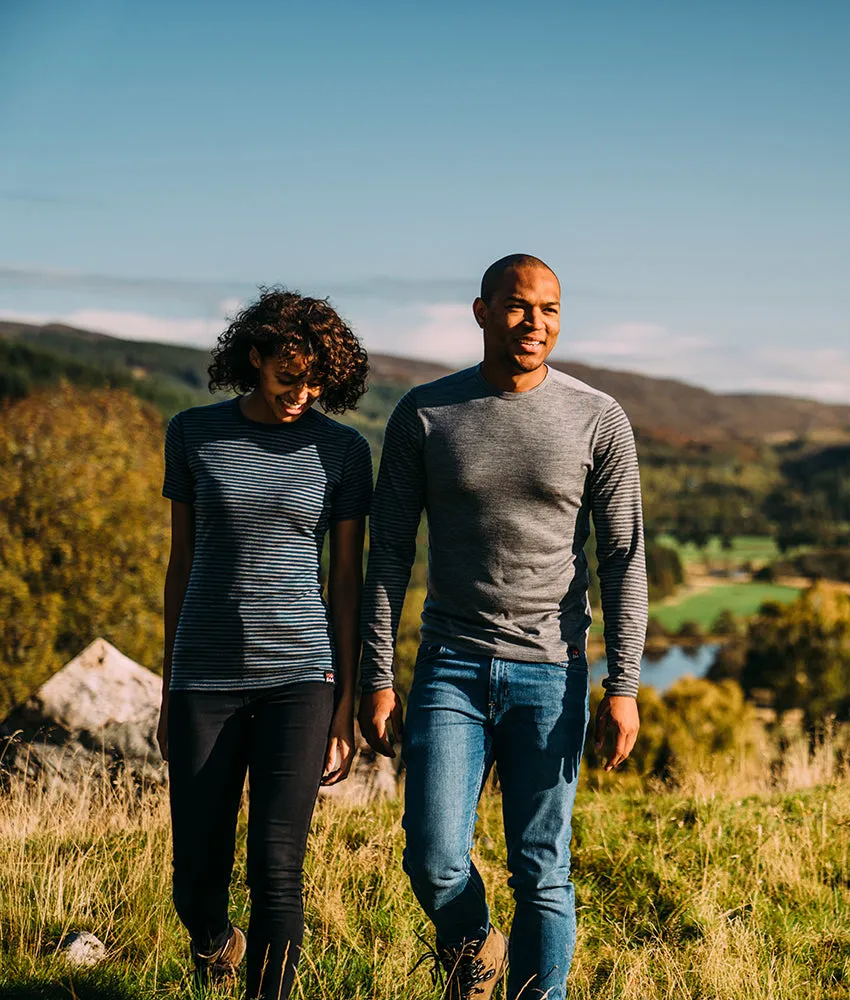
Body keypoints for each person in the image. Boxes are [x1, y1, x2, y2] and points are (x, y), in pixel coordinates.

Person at [359, 254, 646, 1000]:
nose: (535, 323)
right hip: (450, 662)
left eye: (550, 309)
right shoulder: (426, 412)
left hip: (551, 670)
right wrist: (379, 675)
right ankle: (475, 946)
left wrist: (625, 685)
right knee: (431, 856)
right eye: (519, 307)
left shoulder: (597, 417)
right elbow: (388, 551)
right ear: (482, 311)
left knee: (541, 866)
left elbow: (623, 556)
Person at [157, 288, 372, 1000]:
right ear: (254, 357)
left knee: (277, 871)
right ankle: (216, 942)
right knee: (196, 879)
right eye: (289, 377)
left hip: (300, 677)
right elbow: (180, 563)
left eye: (316, 383)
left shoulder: (341, 450)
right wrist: (170, 684)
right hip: (204, 678)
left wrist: (342, 703)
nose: (301, 395)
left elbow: (347, 580)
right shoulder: (193, 434)